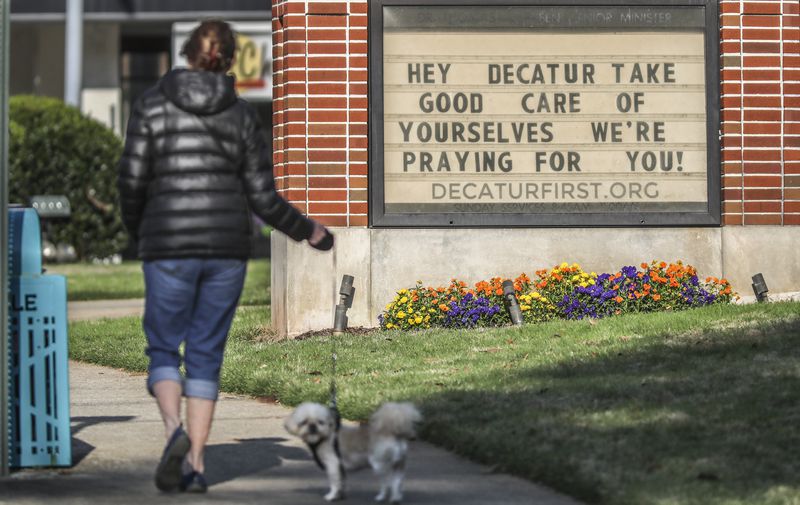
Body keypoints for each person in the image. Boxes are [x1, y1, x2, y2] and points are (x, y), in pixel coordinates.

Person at [117, 19, 334, 493]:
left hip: (166, 246)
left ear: (187, 54)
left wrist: (141, 234)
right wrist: (309, 231)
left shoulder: (150, 105)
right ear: (230, 60)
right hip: (226, 252)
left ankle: (173, 431)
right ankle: (196, 463)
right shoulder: (239, 116)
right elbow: (263, 197)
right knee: (206, 356)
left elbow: (131, 182)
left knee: (161, 349)